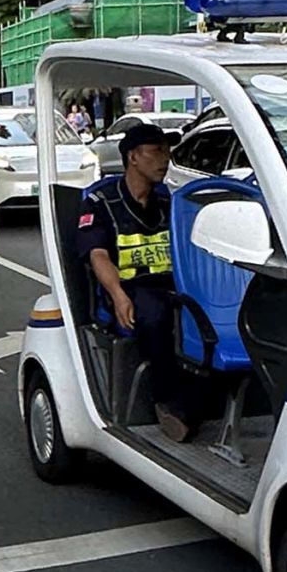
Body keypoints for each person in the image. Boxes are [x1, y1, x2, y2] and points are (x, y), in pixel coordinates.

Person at [78, 124, 197, 441]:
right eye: (156, 151)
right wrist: (117, 295)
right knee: (155, 314)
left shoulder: (168, 201)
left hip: (173, 284)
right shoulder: (101, 202)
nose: (165, 159)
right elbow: (98, 255)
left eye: (167, 151)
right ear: (133, 157)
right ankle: (167, 402)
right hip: (131, 289)